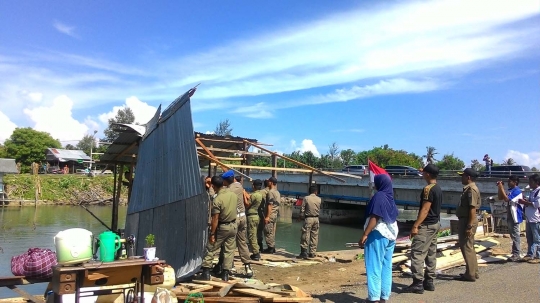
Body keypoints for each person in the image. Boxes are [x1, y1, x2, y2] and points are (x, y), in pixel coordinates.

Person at [359, 174, 398, 303]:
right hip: (391, 235)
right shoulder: (390, 197)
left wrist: (365, 234)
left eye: (376, 182)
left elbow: (374, 217)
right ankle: (383, 297)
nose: (374, 184)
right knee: (386, 266)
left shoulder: (379, 196)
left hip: (378, 234)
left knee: (374, 266)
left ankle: (374, 298)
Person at [405, 164, 442, 293]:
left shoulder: (428, 189)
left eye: (424, 172)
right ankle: (429, 281)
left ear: (427, 174)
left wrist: (415, 225)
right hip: (435, 224)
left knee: (417, 253)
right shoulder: (437, 188)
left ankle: (417, 282)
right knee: (431, 253)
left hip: (426, 226)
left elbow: (425, 209)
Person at [200, 176, 238, 281]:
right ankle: (225, 274)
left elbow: (215, 219)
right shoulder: (233, 195)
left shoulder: (217, 199)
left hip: (222, 227)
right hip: (233, 226)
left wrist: (212, 233)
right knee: (229, 250)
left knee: (210, 247)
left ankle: (206, 272)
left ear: (213, 186)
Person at [222, 170, 253, 277]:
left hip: (234, 219)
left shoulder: (227, 191)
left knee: (230, 244)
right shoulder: (239, 186)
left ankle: (231, 266)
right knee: (242, 242)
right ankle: (248, 266)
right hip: (243, 217)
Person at [455, 168, 481, 282]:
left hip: (467, 220)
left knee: (466, 247)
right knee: (469, 246)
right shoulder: (469, 189)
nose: (462, 177)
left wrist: (469, 226)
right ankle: (472, 272)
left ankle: (470, 274)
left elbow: (472, 209)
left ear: (468, 177)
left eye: (463, 176)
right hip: (466, 219)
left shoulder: (471, 190)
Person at [496, 175, 523, 261]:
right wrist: (500, 187)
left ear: (515, 182)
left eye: (510, 181)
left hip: (515, 215)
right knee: (512, 234)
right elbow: (501, 197)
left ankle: (516, 253)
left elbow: (507, 199)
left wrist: (501, 187)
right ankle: (514, 252)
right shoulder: (510, 190)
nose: (508, 182)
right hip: (510, 214)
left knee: (515, 235)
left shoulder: (517, 191)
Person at [518, 173, 540, 263]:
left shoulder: (539, 192)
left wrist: (526, 202)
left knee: (537, 239)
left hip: (535, 219)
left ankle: (538, 256)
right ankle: (530, 254)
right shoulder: (533, 191)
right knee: (529, 238)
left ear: (537, 182)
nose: (529, 184)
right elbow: (532, 202)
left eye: (531, 182)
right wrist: (525, 201)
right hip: (529, 219)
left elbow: (537, 204)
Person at [298, 185, 321, 259]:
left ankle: (304, 252)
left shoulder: (306, 198)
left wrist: (300, 217)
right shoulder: (319, 199)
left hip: (308, 218)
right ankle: (312, 252)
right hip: (316, 219)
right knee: (314, 236)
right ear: (316, 192)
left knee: (305, 234)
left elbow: (302, 209)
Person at [247, 179, 264, 261]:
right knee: (254, 234)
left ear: (254, 186)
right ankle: (256, 251)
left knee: (251, 235)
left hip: (251, 216)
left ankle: (256, 253)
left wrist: (244, 195)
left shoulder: (253, 195)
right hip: (256, 216)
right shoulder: (260, 194)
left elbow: (247, 204)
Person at [262, 177, 280, 254]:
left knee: (268, 231)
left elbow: (270, 205)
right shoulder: (277, 192)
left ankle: (270, 248)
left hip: (271, 214)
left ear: (271, 183)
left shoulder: (270, 192)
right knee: (272, 231)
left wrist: (267, 216)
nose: (268, 182)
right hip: (275, 214)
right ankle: (272, 247)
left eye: (269, 181)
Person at [257, 179, 270, 251]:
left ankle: (260, 245)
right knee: (270, 231)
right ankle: (271, 246)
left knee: (259, 230)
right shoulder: (274, 192)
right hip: (271, 214)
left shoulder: (261, 192)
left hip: (261, 213)